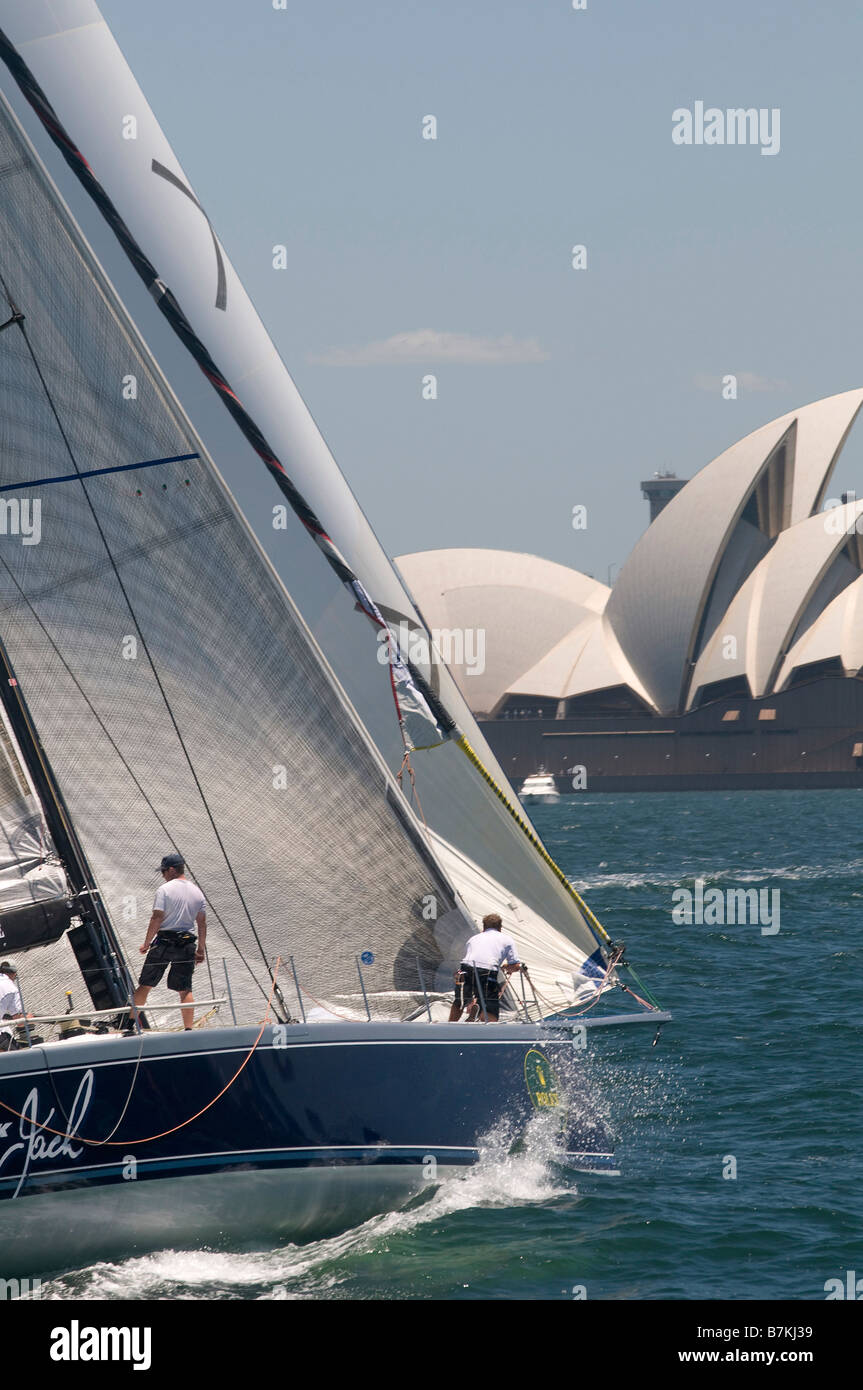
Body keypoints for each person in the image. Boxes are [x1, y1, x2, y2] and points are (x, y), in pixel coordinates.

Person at [133, 854, 206, 1031]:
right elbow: (201, 923)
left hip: (165, 942)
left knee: (146, 983)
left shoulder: (164, 890)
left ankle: (130, 1024)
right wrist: (201, 950)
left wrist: (146, 943)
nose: (163, 875)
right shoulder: (198, 892)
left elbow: (157, 917)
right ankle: (189, 1029)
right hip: (188, 943)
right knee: (185, 988)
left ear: (172, 870)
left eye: (164, 871)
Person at [449, 914, 527, 1023]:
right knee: (490, 1007)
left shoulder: (473, 938)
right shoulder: (507, 940)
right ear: (500, 927)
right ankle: (480, 1010)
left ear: (484, 927)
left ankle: (451, 1024)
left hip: (465, 969)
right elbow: (515, 965)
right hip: (487, 971)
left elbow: (471, 957)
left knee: (460, 1001)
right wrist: (507, 967)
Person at [0, 961, 24, 1050]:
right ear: (14, 974)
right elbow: (18, 1019)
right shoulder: (12, 988)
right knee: (19, 1056)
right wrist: (29, 1019)